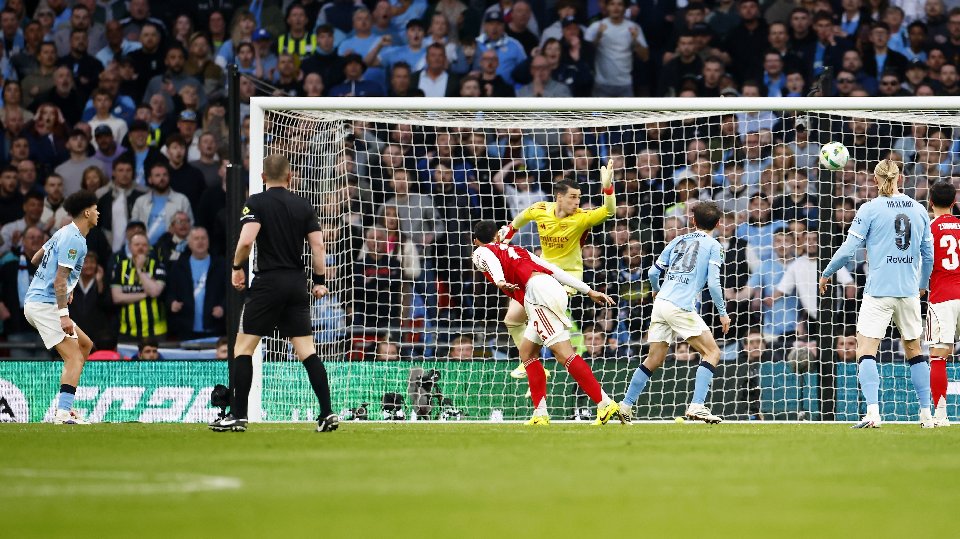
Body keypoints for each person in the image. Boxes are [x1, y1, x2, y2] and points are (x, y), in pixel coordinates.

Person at [210, 154, 337, 434]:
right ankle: (327, 412)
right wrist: (318, 281)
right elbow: (318, 246)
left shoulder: (256, 202)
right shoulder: (302, 205)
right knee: (306, 351)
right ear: (290, 177)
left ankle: (238, 415)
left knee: (243, 348)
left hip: (268, 283)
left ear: (263, 177)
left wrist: (236, 268)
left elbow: (246, 241)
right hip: (296, 283)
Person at [819, 160, 934, 428]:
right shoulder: (919, 210)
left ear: (875, 179)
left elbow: (848, 250)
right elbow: (928, 255)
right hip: (908, 291)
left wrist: (827, 272)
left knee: (866, 349)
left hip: (879, 291)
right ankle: (927, 414)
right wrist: (922, 284)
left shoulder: (869, 209)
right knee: (915, 351)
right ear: (900, 178)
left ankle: (873, 413)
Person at [471, 220, 620, 425]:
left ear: (476, 240)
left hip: (538, 295)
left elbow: (486, 256)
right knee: (527, 352)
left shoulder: (481, 251)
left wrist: (498, 280)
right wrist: (588, 290)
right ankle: (540, 413)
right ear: (497, 235)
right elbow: (552, 268)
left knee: (564, 354)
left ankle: (604, 403)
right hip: (550, 287)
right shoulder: (518, 250)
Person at [498, 163, 616, 379]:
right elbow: (518, 221)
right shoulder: (540, 209)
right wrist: (507, 234)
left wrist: (608, 188)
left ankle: (532, 361)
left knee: (538, 316)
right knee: (512, 319)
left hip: (568, 278)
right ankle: (531, 362)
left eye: (579, 197)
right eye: (573, 197)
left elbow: (609, 211)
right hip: (541, 272)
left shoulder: (581, 217)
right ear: (559, 197)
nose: (577, 201)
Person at [618, 202, 731, 424]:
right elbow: (714, 284)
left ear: (692, 221)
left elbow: (652, 272)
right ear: (718, 224)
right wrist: (723, 313)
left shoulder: (678, 239)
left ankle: (625, 405)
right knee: (712, 353)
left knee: (654, 358)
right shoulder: (715, 246)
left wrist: (656, 291)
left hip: (661, 304)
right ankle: (697, 405)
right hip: (680, 305)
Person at [22, 190, 100, 424]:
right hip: (45, 306)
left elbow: (37, 258)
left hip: (40, 302)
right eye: (96, 209)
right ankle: (63, 414)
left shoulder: (63, 232)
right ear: (87, 212)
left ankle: (67, 403)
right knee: (75, 358)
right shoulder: (74, 239)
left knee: (85, 345)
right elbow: (58, 279)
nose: (98, 213)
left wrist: (68, 287)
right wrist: (63, 314)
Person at [925, 180, 958, 427]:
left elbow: (923, 265)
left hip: (942, 298)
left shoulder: (929, 230)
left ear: (931, 202)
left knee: (938, 356)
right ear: (955, 203)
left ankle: (940, 415)